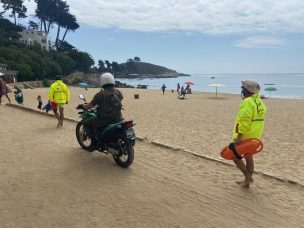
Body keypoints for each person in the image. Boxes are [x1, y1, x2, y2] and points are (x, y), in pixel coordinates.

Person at [231, 80, 266, 187]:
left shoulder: (247, 102)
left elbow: (245, 121)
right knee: (248, 157)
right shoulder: (259, 101)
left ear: (245, 91)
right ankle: (247, 182)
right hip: (255, 135)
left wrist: (239, 137)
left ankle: (248, 177)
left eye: (242, 89)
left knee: (234, 156)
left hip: (245, 135)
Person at [78, 73, 123, 151]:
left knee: (86, 122)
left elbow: (90, 106)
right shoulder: (118, 92)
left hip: (104, 120)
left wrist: (83, 106)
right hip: (118, 118)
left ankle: (94, 143)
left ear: (102, 82)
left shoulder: (100, 94)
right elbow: (120, 99)